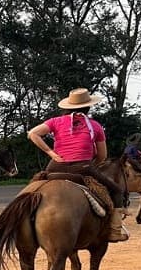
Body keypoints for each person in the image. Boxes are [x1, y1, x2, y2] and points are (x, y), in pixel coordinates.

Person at [27, 88, 128, 243]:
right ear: (88, 107)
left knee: (33, 189)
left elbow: (33, 133)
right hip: (83, 168)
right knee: (117, 190)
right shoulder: (95, 126)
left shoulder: (55, 121)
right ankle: (114, 231)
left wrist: (51, 153)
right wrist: (92, 163)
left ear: (67, 106)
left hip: (54, 168)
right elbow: (102, 156)